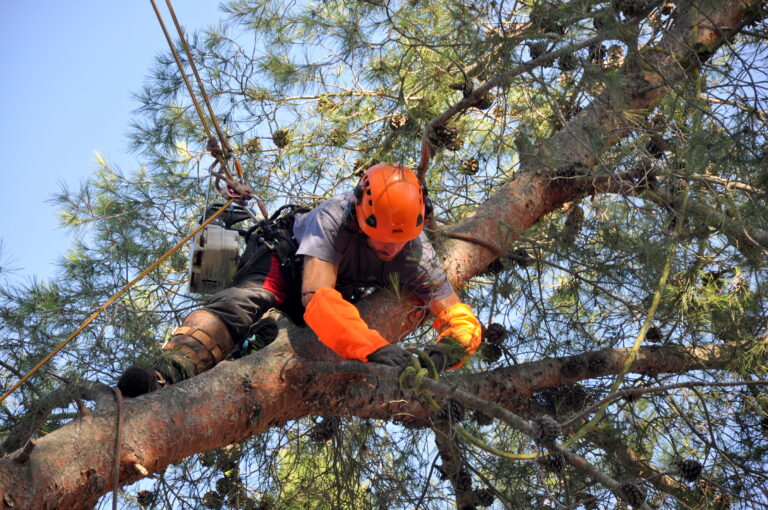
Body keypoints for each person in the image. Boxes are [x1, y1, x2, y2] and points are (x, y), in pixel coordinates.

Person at [118, 163, 482, 397]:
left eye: (399, 240)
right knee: (243, 302)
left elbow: (458, 316)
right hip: (287, 266)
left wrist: (444, 352)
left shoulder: (416, 252)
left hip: (325, 302)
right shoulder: (335, 218)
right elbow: (317, 297)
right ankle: (169, 369)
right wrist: (373, 347)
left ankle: (250, 347)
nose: (390, 248)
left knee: (273, 343)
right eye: (382, 237)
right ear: (359, 218)